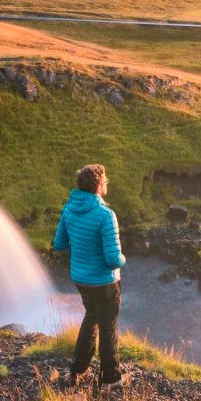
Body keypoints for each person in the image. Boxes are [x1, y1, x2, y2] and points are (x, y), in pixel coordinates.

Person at [53, 163, 127, 387]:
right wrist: (124, 259)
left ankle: (77, 370)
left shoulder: (69, 209)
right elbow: (113, 259)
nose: (106, 184)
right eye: (105, 181)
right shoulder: (105, 215)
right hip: (104, 281)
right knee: (108, 326)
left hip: (80, 278)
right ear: (97, 186)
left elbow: (59, 244)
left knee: (92, 317)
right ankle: (111, 378)